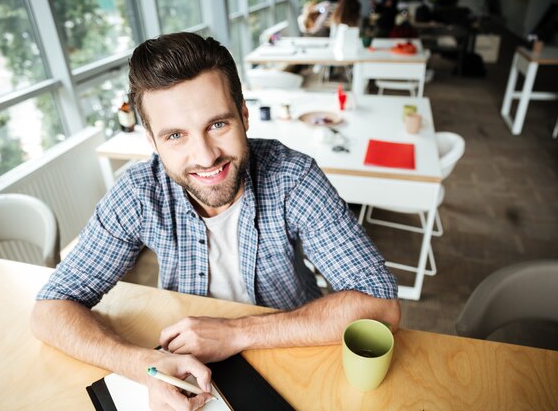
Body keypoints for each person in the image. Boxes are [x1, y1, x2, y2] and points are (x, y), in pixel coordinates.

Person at [31, 32, 400, 411]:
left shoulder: (294, 176)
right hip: (186, 362)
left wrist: (235, 333)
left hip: (292, 348)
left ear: (243, 114)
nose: (205, 156)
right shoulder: (139, 192)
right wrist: (145, 365)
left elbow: (380, 304)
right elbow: (50, 309)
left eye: (218, 125)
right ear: (153, 142)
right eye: (176, 135)